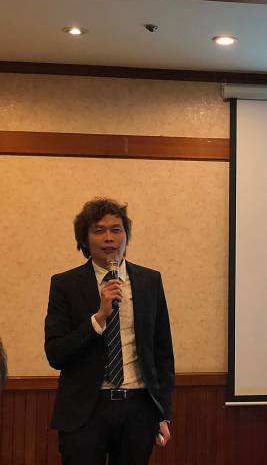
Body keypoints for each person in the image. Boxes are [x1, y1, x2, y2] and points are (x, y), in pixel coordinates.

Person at [44, 198, 174, 465]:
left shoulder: (150, 281)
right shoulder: (64, 284)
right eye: (99, 230)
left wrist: (163, 413)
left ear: (126, 236)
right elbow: (55, 353)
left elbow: (162, 352)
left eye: (116, 230)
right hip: (85, 411)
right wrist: (99, 318)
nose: (109, 238)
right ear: (85, 238)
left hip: (138, 407)